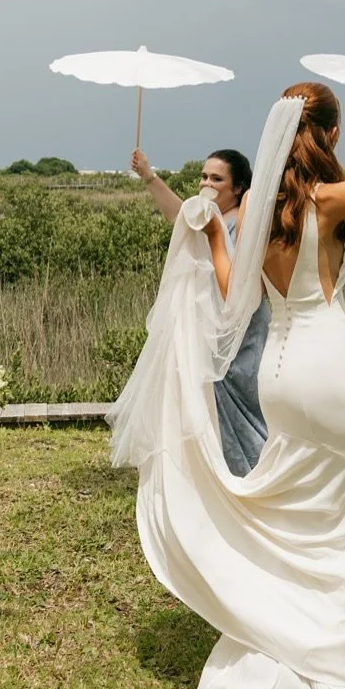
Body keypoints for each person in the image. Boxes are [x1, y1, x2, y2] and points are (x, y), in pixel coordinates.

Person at [112, 59, 345, 689]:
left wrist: (214, 232)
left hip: (275, 375)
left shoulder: (252, 214)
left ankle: (287, 649)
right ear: (328, 134)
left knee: (294, 511)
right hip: (324, 365)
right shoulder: (329, 201)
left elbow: (227, 293)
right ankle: (323, 656)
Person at [132, 145, 269, 475]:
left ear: (238, 188)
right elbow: (176, 216)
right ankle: (218, 472)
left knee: (246, 397)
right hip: (209, 327)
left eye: (217, 178)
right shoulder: (207, 219)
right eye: (203, 177)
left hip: (244, 326)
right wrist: (149, 176)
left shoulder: (243, 222)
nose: (206, 183)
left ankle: (256, 469)